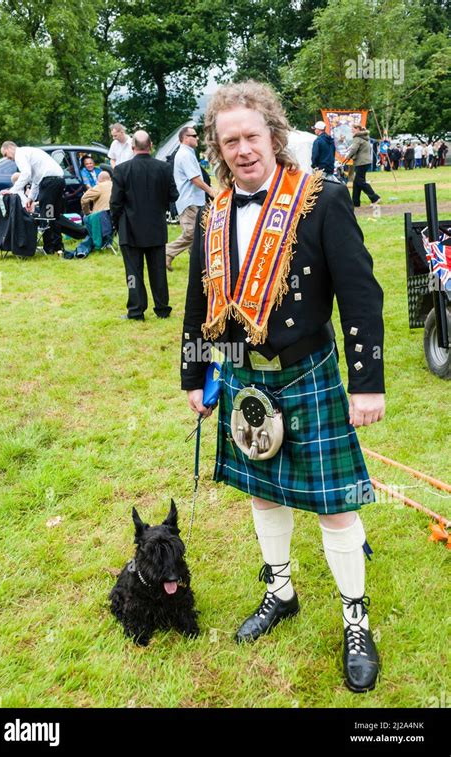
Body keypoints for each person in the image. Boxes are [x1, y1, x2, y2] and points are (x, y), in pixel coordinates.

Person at [181, 80, 385, 693]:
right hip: (245, 377)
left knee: (334, 503)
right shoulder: (215, 212)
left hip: (309, 374)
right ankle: (281, 589)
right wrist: (195, 373)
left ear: (273, 134)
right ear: (218, 150)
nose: (242, 149)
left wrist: (367, 383)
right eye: (229, 141)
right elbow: (201, 303)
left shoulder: (320, 200)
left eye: (251, 136)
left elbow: (360, 293)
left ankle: (355, 618)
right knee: (263, 494)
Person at [110, 129, 179, 320]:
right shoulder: (164, 168)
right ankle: (162, 308)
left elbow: (115, 202)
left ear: (132, 148)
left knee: (133, 273)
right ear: (150, 146)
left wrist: (116, 223)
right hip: (155, 226)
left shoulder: (122, 170)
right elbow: (174, 195)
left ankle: (136, 310)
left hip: (129, 227)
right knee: (158, 271)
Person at [0, 141, 65, 254]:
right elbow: (35, 180)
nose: (7, 158)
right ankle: (58, 247)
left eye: (6, 154)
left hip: (49, 183)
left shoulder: (19, 154)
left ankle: (49, 248)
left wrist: (12, 191)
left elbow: (26, 174)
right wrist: (31, 198)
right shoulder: (29, 152)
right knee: (54, 215)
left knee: (47, 215)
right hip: (58, 181)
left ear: (10, 148)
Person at [165, 126, 215, 272]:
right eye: (194, 135)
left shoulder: (188, 153)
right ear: (185, 138)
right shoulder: (185, 155)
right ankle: (167, 252)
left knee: (198, 233)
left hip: (193, 200)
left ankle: (198, 263)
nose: (197, 138)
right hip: (189, 201)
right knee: (192, 234)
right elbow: (195, 179)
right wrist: (211, 191)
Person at [345, 125, 380, 208]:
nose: (351, 130)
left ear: (357, 129)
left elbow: (354, 149)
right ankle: (355, 202)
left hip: (361, 162)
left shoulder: (357, 138)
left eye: (352, 129)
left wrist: (348, 157)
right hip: (365, 162)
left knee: (360, 181)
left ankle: (375, 197)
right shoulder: (364, 137)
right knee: (357, 183)